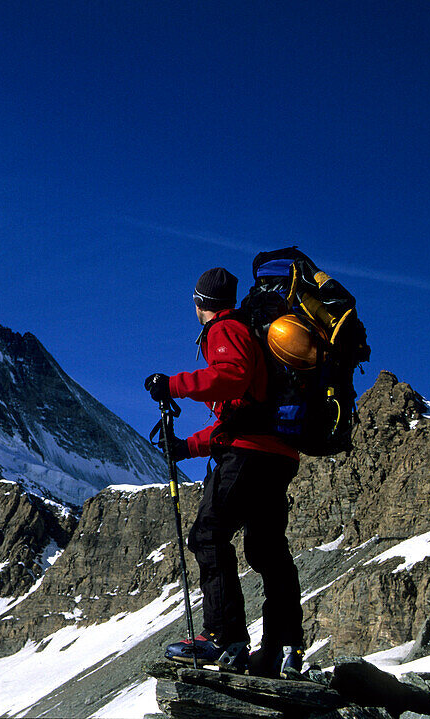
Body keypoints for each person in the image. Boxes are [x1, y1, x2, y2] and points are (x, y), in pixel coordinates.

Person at [145, 266, 305, 678]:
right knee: (267, 550)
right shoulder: (253, 333)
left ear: (200, 303)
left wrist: (172, 385)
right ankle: (282, 647)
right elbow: (241, 414)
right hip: (278, 454)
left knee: (208, 535)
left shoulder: (225, 329)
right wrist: (186, 448)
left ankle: (224, 639)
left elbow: (230, 378)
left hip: (249, 455)